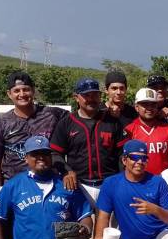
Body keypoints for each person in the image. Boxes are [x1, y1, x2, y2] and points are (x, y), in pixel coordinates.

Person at [49, 77, 126, 208]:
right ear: (76, 97)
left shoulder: (112, 121)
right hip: (79, 185)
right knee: (83, 226)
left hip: (109, 184)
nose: (91, 99)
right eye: (86, 95)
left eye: (95, 95)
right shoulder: (66, 123)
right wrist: (66, 171)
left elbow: (122, 154)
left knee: (110, 227)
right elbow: (54, 152)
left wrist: (123, 180)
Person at [0, 71, 67, 185]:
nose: (22, 94)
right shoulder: (1, 123)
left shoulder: (53, 115)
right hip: (15, 186)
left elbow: (78, 121)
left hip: (50, 183)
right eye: (16, 91)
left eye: (26, 89)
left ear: (33, 91)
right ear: (9, 94)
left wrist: (69, 170)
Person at [124, 88, 168, 174]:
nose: (149, 108)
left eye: (153, 105)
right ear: (137, 107)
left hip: (163, 182)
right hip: (137, 183)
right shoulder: (128, 130)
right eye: (145, 104)